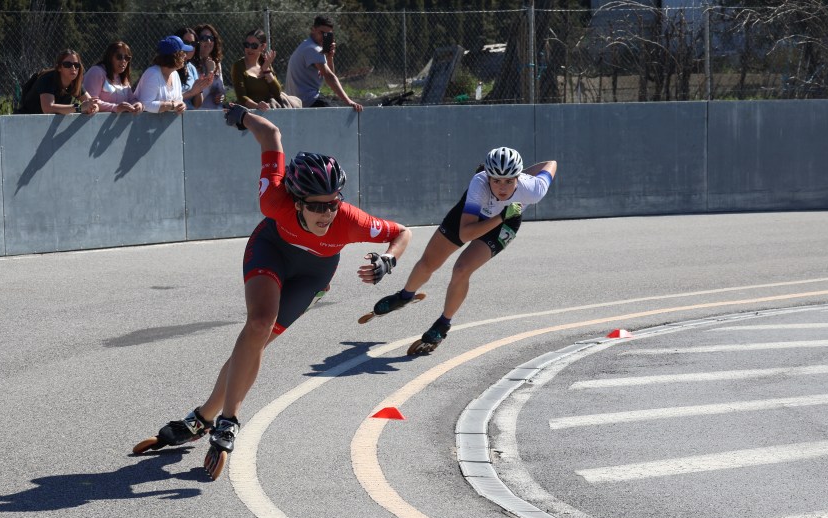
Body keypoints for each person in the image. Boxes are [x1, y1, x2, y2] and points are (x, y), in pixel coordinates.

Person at [137, 102, 410, 477]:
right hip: (272, 249)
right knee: (258, 323)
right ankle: (228, 420)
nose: (327, 214)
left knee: (256, 344)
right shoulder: (274, 199)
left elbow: (402, 233)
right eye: (316, 206)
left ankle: (202, 417)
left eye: (333, 203)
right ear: (296, 201)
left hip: (314, 273)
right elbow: (271, 134)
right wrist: (242, 116)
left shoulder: (350, 220)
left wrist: (389, 260)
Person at [372, 147, 557, 354]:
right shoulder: (479, 183)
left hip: (505, 222)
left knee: (462, 269)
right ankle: (405, 296)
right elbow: (466, 232)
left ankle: (443, 324)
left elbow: (551, 163)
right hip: (474, 219)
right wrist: (501, 215)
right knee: (429, 262)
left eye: (509, 180)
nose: (502, 187)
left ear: (518, 177)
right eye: (496, 180)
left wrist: (520, 181)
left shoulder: (533, 189)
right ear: (488, 177)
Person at [285, 15, 363, 112]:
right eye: (321, 32)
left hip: (298, 100)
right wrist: (349, 101)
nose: (324, 37)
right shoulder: (313, 49)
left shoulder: (308, 44)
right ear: (313, 29)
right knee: (340, 113)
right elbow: (330, 77)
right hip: (307, 100)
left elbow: (329, 75)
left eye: (327, 34)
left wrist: (330, 57)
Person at [231, 28, 299, 110]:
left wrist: (266, 69)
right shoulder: (238, 66)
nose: (249, 48)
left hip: (269, 109)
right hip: (250, 111)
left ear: (263, 46)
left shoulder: (265, 63)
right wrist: (257, 106)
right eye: (246, 45)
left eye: (254, 46)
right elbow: (241, 97)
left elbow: (277, 92)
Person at [17, 49, 100, 115]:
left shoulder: (75, 83)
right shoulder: (48, 80)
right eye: (67, 64)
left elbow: (93, 104)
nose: (73, 68)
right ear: (59, 67)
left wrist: (92, 108)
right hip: (26, 122)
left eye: (76, 65)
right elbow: (48, 108)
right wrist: (79, 108)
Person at [134, 35, 191, 114]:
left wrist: (182, 105)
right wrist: (171, 105)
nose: (185, 55)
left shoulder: (175, 74)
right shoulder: (153, 74)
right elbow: (145, 104)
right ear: (175, 56)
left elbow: (179, 100)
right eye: (183, 52)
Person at [83, 41, 143, 114]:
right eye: (119, 57)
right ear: (110, 57)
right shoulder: (96, 72)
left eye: (127, 58)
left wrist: (137, 104)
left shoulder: (123, 78)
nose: (123, 61)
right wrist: (116, 108)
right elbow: (91, 102)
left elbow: (131, 99)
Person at [175, 27, 213, 110]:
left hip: (190, 114)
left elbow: (197, 105)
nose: (190, 47)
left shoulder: (191, 68)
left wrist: (200, 88)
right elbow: (168, 100)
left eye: (193, 44)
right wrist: (191, 92)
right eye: (186, 43)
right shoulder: (170, 68)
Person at [193, 23, 227, 110]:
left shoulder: (216, 63)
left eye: (211, 38)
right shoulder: (191, 65)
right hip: (198, 112)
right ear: (197, 41)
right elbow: (198, 97)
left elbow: (221, 90)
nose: (208, 41)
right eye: (204, 38)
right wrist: (210, 72)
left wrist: (221, 97)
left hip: (216, 110)